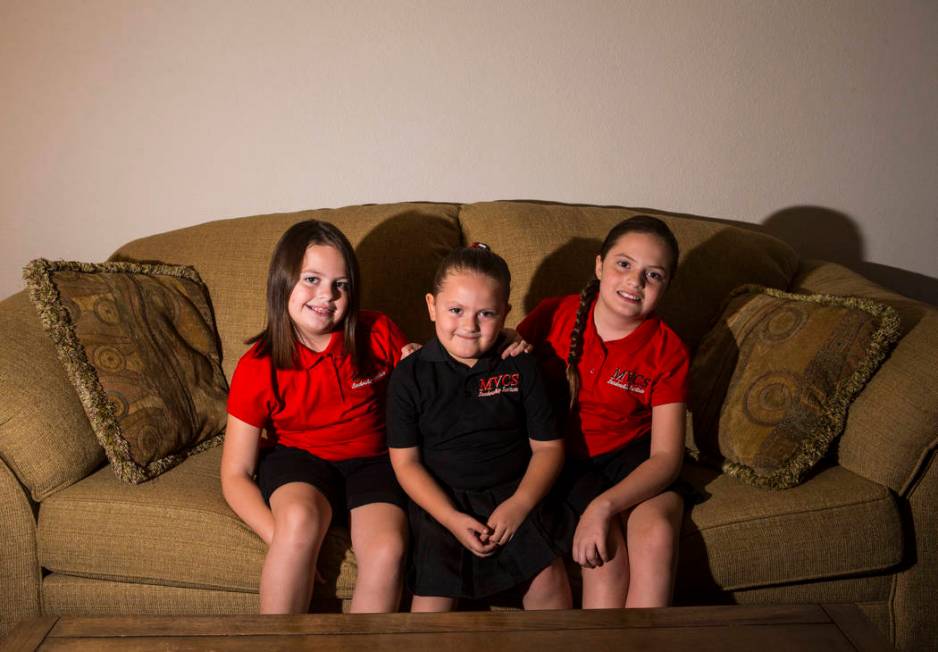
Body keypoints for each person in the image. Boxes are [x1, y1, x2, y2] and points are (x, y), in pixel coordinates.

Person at [220, 220, 409, 614]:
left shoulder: (378, 332)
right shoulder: (259, 365)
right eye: (311, 279)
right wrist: (282, 538)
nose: (327, 295)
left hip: (374, 460)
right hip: (300, 460)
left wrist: (505, 340)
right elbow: (235, 472)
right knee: (298, 522)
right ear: (283, 281)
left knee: (388, 548)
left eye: (340, 284)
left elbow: (439, 364)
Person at [387, 244, 573, 612]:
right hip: (441, 502)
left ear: (505, 313)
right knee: (429, 609)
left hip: (514, 494)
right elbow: (405, 463)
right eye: (456, 310)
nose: (469, 326)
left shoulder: (519, 366)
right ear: (431, 306)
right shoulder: (410, 375)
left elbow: (548, 449)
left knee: (549, 582)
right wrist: (450, 518)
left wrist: (519, 505)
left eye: (486, 314)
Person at [517, 215, 689, 609]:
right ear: (599, 266)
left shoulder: (668, 349)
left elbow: (666, 457)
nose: (635, 282)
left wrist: (604, 504)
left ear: (666, 286)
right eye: (624, 264)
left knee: (656, 532)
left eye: (654, 275)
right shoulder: (555, 314)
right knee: (605, 550)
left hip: (634, 461)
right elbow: (503, 360)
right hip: (569, 463)